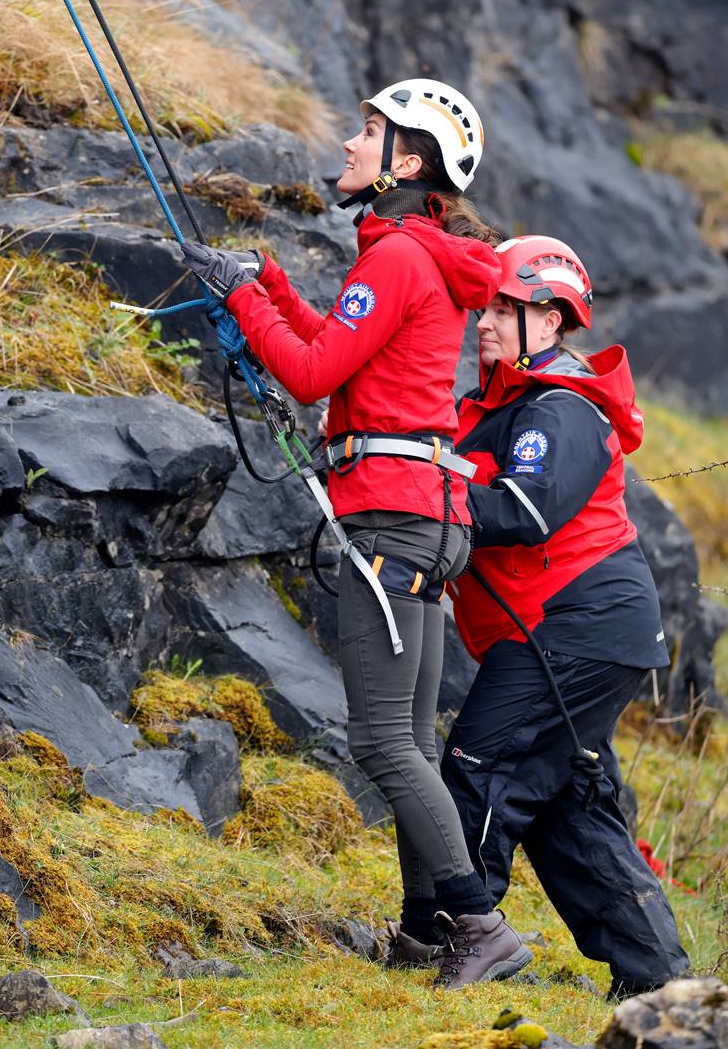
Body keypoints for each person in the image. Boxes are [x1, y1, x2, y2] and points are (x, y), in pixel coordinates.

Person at [181, 79, 534, 989]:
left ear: (406, 164)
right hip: (426, 515)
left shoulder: (398, 260)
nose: (349, 143)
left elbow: (304, 374)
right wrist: (266, 286)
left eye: (369, 132)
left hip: (390, 514)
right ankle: (427, 930)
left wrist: (247, 305)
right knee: (411, 741)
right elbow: (341, 353)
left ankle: (479, 925)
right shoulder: (420, 257)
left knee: (381, 741)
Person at [441, 234, 691, 998]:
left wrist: (422, 498)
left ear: (549, 321)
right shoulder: (506, 404)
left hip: (573, 625)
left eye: (505, 308)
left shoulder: (561, 406)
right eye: (483, 305)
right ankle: (659, 981)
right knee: (564, 807)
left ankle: (463, 933)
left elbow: (524, 508)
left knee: (476, 771)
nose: (483, 321)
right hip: (583, 628)